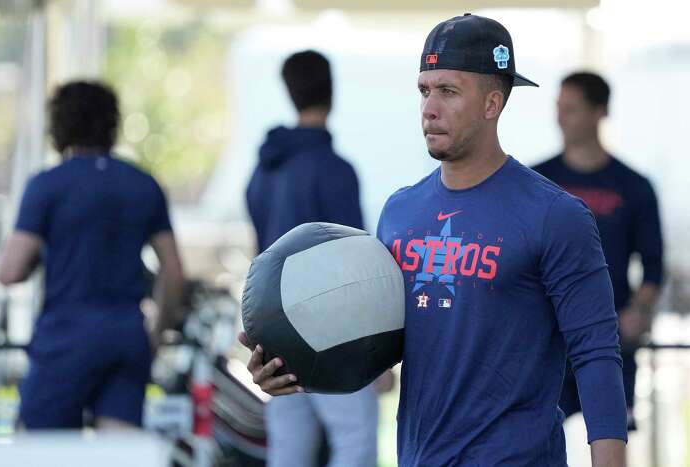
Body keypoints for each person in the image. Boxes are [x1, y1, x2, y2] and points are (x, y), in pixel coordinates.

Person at [239, 15, 630, 467]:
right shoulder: (401, 212)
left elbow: (597, 354)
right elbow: (380, 347)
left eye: (448, 91)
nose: (429, 108)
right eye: (425, 90)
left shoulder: (555, 215)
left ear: (492, 102)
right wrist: (293, 367)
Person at [0, 81, 184, 429]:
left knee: (36, 452)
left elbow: (9, 272)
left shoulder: (47, 185)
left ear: (58, 125)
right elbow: (174, 273)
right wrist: (156, 333)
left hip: (65, 337)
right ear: (112, 124)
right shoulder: (143, 184)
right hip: (126, 336)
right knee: (120, 453)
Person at [245, 50, 381, 467]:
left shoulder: (265, 168)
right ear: (332, 91)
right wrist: (374, 352)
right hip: (330, 325)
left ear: (289, 92)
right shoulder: (335, 170)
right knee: (354, 437)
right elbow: (356, 263)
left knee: (289, 446)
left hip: (274, 323)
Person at [532, 72, 664, 430]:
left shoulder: (634, 186)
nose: (560, 117)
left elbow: (653, 265)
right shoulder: (536, 182)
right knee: (537, 442)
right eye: (558, 108)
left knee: (610, 439)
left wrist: (639, 312)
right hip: (545, 342)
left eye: (570, 109)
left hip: (609, 341)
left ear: (598, 112)